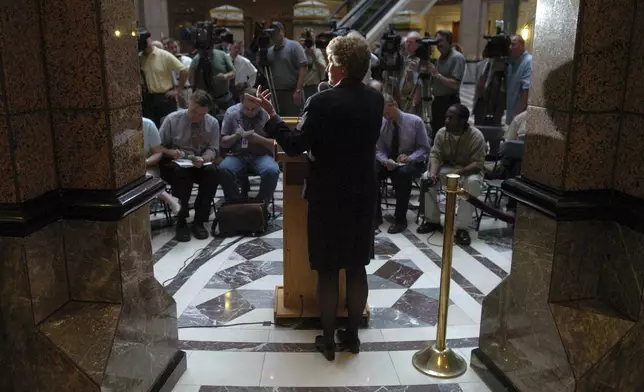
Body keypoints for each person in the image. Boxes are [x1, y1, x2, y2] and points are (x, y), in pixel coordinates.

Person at [247, 35, 383, 361]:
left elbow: (295, 145)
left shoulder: (321, 102)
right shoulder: (376, 100)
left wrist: (273, 117)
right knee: (356, 266)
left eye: (331, 62)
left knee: (326, 269)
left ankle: (328, 341)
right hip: (363, 193)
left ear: (341, 66)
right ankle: (351, 337)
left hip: (328, 196)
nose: (328, 67)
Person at [418, 104, 485, 246]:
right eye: (446, 117)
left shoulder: (476, 136)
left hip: (468, 172)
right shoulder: (442, 133)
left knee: (472, 184)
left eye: (451, 118)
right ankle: (432, 221)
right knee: (426, 178)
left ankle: (462, 228)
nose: (446, 121)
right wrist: (433, 173)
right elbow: (435, 155)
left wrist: (457, 173)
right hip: (447, 170)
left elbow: (477, 164)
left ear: (462, 121)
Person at [159, 90, 221, 242]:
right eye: (194, 112)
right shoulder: (172, 119)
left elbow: (213, 148)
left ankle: (199, 220)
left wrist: (204, 158)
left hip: (199, 161)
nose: (196, 117)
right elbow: (158, 147)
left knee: (212, 172)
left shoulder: (212, 122)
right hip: (176, 162)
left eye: (201, 114)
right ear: (189, 103)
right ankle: (181, 221)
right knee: (180, 175)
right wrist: (172, 152)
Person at [376, 94, 430, 233]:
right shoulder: (382, 123)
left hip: (413, 161)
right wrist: (384, 160)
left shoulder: (415, 121)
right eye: (383, 114)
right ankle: (375, 215)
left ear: (394, 105)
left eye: (387, 113)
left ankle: (400, 219)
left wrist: (410, 158)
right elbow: (378, 149)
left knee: (402, 174)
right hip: (391, 161)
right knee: (372, 171)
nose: (386, 117)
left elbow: (424, 149)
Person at [218, 88, 280, 205]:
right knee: (224, 169)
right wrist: (235, 136)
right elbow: (223, 142)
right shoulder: (232, 113)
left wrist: (258, 139)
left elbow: (277, 144)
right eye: (246, 109)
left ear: (260, 106)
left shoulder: (268, 114)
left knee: (272, 171)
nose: (250, 112)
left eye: (254, 109)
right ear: (241, 103)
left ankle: (260, 204)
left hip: (261, 155)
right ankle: (236, 204)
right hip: (237, 155)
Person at [139, 27, 188, 127]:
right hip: (148, 99)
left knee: (169, 127)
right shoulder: (140, 58)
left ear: (150, 40)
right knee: (152, 127)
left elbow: (183, 70)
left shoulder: (164, 55)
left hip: (164, 97)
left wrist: (178, 90)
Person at [264, 22, 308, 116]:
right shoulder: (270, 51)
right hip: (276, 93)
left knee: (293, 119)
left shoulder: (294, 46)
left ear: (282, 32)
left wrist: (298, 90)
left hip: (292, 91)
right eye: (271, 34)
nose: (273, 36)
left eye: (275, 33)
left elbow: (303, 67)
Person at [429, 30, 465, 138]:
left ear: (449, 41)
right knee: (436, 133)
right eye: (436, 41)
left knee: (447, 135)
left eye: (441, 41)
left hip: (449, 102)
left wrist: (437, 75)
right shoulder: (440, 58)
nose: (438, 44)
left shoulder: (456, 57)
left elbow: (455, 84)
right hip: (438, 102)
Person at [143, 117, 180, 213]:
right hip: (129, 171)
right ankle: (170, 199)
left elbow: (158, 152)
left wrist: (145, 163)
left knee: (145, 178)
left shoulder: (147, 124)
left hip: (148, 166)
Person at [190, 43, 236, 114]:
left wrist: (225, 76)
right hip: (205, 101)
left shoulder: (222, 55)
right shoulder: (196, 59)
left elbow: (233, 72)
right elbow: (191, 79)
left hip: (224, 99)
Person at [506, 35, 532, 126]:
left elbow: (526, 91)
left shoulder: (528, 61)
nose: (510, 48)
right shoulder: (511, 63)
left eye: (513, 45)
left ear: (522, 46)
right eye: (509, 45)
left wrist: (517, 117)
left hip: (520, 118)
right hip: (512, 116)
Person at [299, 29, 327, 100]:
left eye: (310, 39)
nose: (308, 42)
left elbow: (323, 70)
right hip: (301, 87)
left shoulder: (317, 52)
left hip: (313, 86)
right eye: (306, 39)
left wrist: (313, 57)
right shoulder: (298, 52)